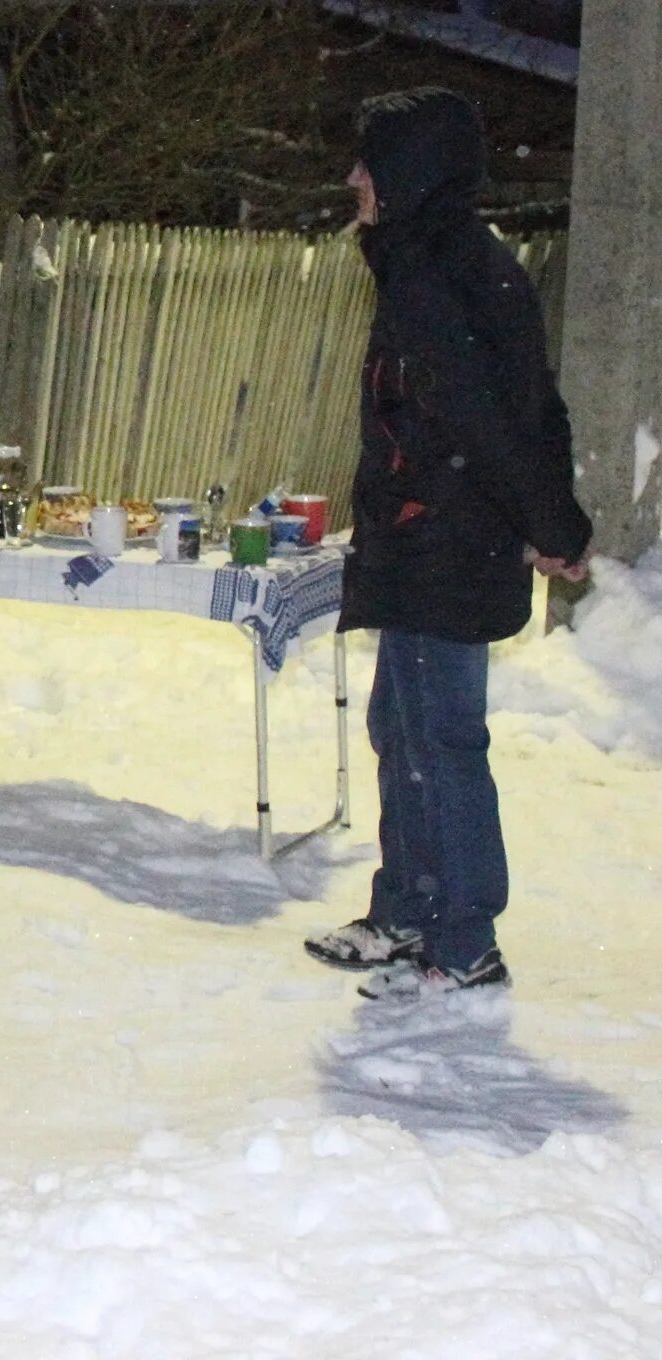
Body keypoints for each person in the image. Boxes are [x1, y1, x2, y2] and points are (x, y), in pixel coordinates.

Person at [305, 87, 589, 998]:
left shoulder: (440, 277)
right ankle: (405, 912)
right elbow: (532, 403)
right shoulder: (447, 262)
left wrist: (551, 525)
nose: (355, 179)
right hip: (432, 537)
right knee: (404, 727)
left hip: (447, 542)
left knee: (439, 740)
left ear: (410, 172)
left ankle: (461, 939)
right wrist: (550, 520)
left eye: (370, 162)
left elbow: (497, 419)